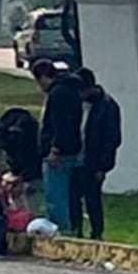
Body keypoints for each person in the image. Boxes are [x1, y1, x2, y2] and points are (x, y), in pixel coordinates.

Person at [70, 67, 122, 240]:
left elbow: (112, 139)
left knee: (93, 199)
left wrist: (103, 166)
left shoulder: (107, 106)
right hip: (75, 158)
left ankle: (97, 232)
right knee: (73, 197)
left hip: (94, 161)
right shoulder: (77, 105)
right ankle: (75, 229)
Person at [32, 59, 83, 233]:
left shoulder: (57, 94)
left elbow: (60, 124)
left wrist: (55, 149)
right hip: (72, 149)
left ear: (44, 77)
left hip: (58, 153)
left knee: (56, 196)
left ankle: (61, 231)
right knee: (69, 195)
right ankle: (73, 227)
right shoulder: (72, 90)